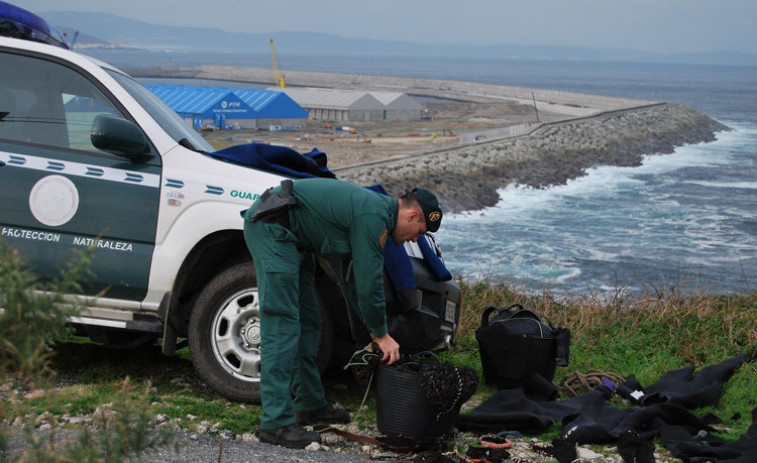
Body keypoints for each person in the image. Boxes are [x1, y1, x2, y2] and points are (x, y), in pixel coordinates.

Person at [241, 177, 443, 449]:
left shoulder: (376, 215)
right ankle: (275, 423)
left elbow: (351, 281)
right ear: (412, 214)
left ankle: (309, 405)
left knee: (310, 322)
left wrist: (370, 332)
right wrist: (381, 334)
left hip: (296, 241)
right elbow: (367, 281)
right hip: (273, 231)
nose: (415, 238)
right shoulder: (373, 217)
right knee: (283, 325)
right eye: (419, 231)